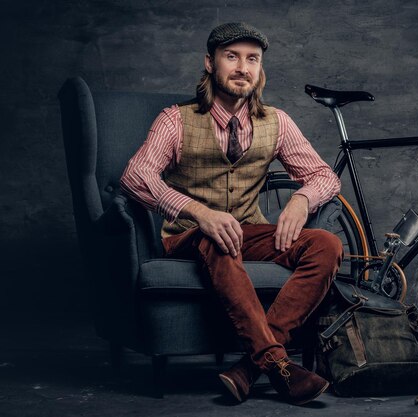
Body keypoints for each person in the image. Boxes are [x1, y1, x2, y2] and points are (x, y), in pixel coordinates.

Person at [120, 22, 343, 405]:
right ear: (210, 64)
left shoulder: (276, 121)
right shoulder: (176, 119)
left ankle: (251, 368)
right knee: (216, 236)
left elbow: (323, 175)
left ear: (260, 70)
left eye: (252, 59)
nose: (243, 67)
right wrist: (197, 211)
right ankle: (280, 366)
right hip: (189, 236)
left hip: (248, 230)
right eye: (232, 57)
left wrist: (302, 200)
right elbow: (135, 175)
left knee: (325, 244)